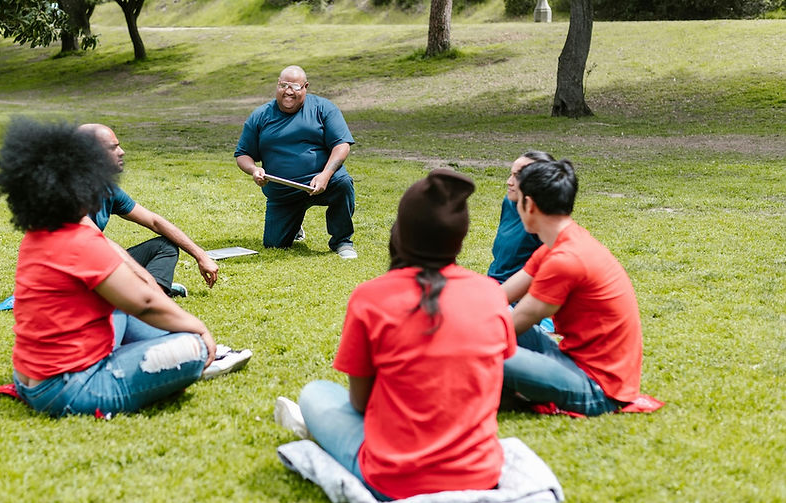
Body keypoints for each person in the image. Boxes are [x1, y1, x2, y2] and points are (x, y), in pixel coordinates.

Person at [274, 169, 516, 500]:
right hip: (479, 473)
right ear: (460, 237)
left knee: (316, 394)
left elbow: (359, 401)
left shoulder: (372, 298)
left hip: (394, 477)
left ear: (401, 232)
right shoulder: (491, 294)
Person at [0, 119, 248, 417]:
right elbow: (144, 302)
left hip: (30, 380)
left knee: (121, 310)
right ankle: (188, 360)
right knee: (194, 348)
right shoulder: (79, 240)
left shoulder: (40, 232)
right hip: (70, 389)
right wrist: (199, 329)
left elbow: (134, 295)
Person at [500, 159, 643, 416]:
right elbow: (500, 297)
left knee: (479, 351)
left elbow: (514, 324)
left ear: (529, 204)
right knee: (483, 329)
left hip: (598, 389)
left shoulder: (565, 259)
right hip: (571, 362)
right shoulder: (561, 242)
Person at [78, 123, 219, 298]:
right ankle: (150, 295)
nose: (121, 152)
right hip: (72, 275)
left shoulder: (106, 189)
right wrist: (146, 278)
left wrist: (200, 255)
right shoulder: (64, 192)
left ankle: (153, 294)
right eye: (113, 148)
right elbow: (101, 244)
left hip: (97, 265)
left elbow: (154, 221)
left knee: (165, 246)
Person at [234, 65, 358, 259]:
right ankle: (294, 224)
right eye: (284, 85)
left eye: (295, 86)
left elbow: (342, 145)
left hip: (321, 182)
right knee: (275, 245)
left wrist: (325, 175)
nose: (288, 91)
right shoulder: (260, 115)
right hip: (283, 191)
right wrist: (253, 170)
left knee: (342, 183)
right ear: (277, 85)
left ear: (306, 86)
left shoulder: (323, 108)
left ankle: (342, 241)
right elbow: (242, 154)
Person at [487, 151, 554, 284]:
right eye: (511, 174)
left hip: (516, 296)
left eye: (517, 177)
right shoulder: (510, 202)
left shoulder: (547, 219)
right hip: (493, 285)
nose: (509, 182)